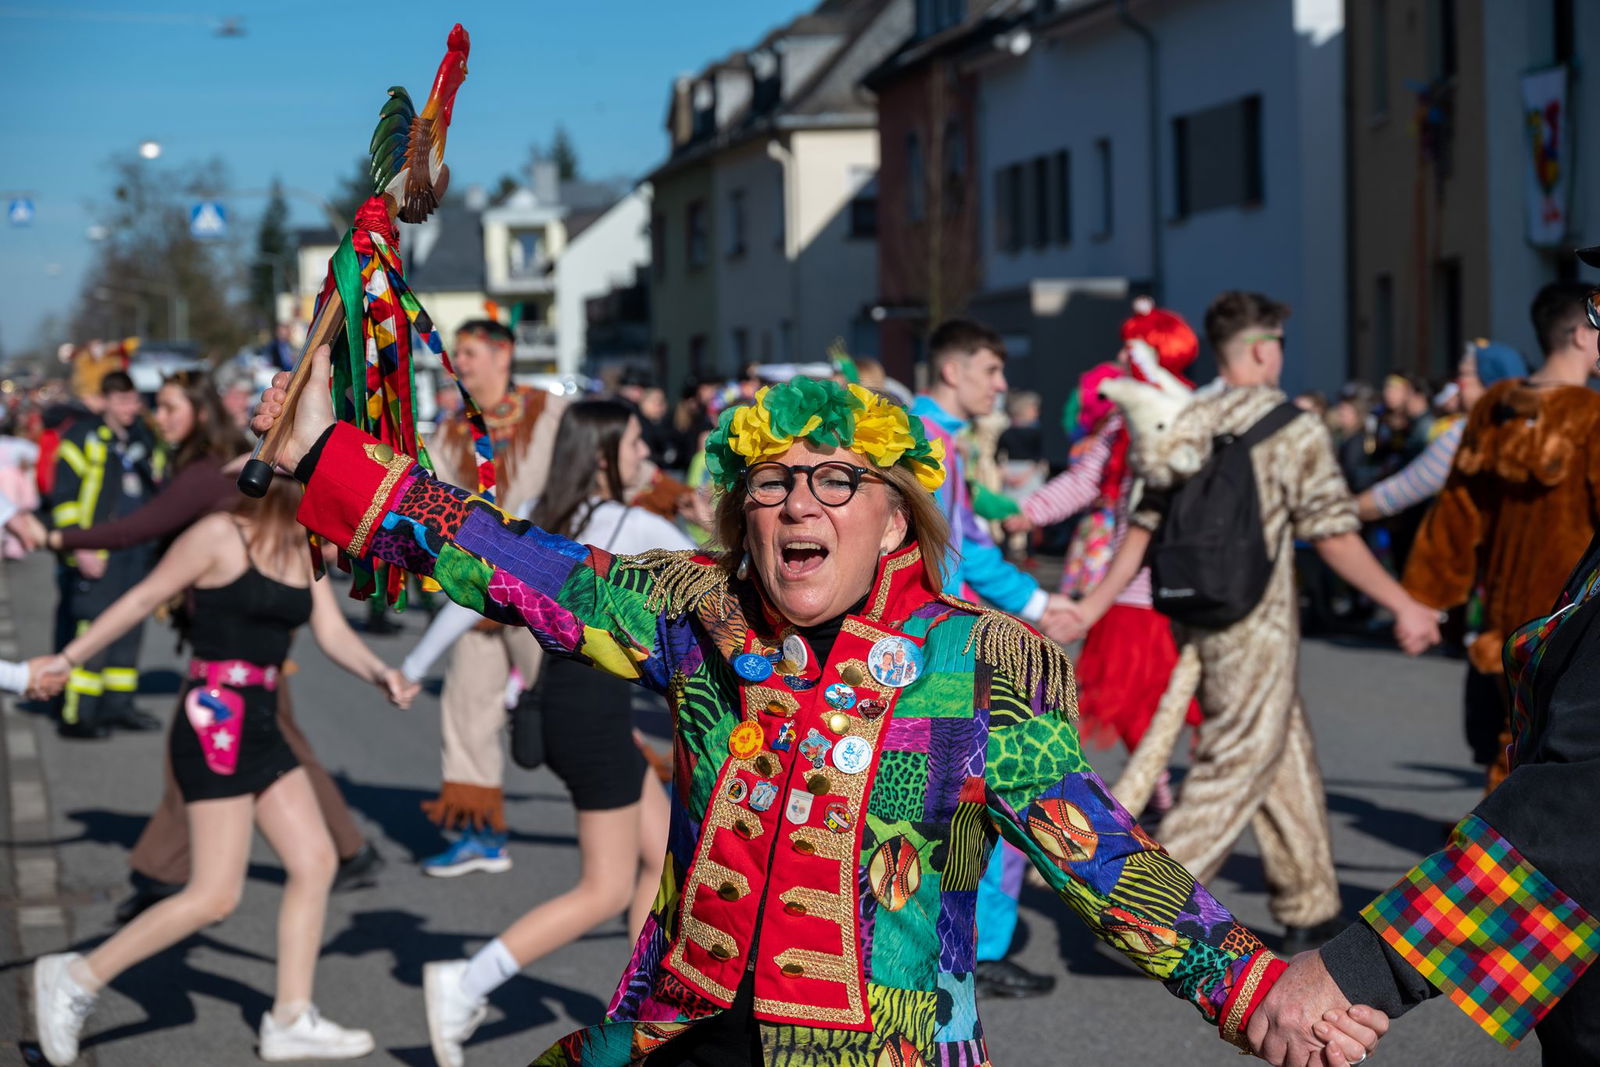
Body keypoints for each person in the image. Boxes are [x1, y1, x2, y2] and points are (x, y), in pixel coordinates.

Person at [253, 351, 1386, 1067]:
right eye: (774, 481)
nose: (801, 502)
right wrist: (325, 461)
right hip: (684, 1028)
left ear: (893, 520)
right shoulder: (696, 614)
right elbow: (515, 562)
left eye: (837, 480)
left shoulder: (982, 663)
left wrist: (1254, 988)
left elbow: (1103, 854)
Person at [1073, 291, 1443, 953]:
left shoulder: (1186, 418)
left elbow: (1144, 523)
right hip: (1258, 625)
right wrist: (1404, 603)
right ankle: (1139, 910)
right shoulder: (1293, 427)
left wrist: (1094, 603)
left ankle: (1309, 903)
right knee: (1234, 763)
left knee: (1284, 751)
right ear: (1262, 350)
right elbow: (1333, 534)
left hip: (1196, 611)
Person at [28, 475, 417, 1066]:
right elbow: (140, 599)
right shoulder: (218, 535)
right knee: (213, 896)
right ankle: (76, 977)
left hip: (262, 720)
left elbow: (331, 631)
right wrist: (65, 660)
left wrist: (379, 672)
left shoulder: (303, 547)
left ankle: (290, 1017)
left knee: (315, 861)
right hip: (215, 720)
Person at [14, 373, 386, 922]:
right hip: (237, 638)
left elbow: (134, 530)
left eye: (171, 407)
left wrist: (53, 537)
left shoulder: (207, 474)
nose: (158, 417)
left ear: (200, 411)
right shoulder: (201, 466)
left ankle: (165, 876)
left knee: (233, 759)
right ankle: (170, 872)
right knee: (243, 758)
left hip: (243, 641)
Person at [419, 400, 690, 1067]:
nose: (645, 455)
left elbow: (479, 589)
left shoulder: (544, 510)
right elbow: (728, 581)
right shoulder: (634, 524)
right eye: (634, 442)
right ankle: (465, 983)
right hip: (593, 717)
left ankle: (641, 1012)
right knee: (605, 887)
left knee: (658, 863)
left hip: (577, 708)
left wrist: (412, 666)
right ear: (601, 455)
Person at [909, 319, 1076, 999]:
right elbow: (957, 551)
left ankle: (952, 946)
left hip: (937, 641)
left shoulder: (925, 433)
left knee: (951, 803)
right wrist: (1038, 604)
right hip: (946, 648)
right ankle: (976, 949)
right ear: (952, 371)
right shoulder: (930, 440)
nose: (1001, 384)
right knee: (993, 793)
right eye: (990, 370)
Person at [1003, 306, 1204, 813]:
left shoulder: (1193, 418)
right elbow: (1084, 481)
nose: (1119, 357)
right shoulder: (1121, 421)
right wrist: (1028, 511)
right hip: (1130, 588)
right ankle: (1155, 789)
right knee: (1130, 700)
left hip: (1183, 583)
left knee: (1178, 701)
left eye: (1130, 347)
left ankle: (1169, 794)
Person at [1401, 281, 1600, 789]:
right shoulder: (1590, 417)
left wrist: (1424, 601)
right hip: (1570, 618)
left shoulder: (1494, 407)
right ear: (1581, 334)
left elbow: (1456, 514)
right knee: (1553, 759)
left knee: (1515, 744)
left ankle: (1493, 832)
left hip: (1504, 621)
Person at [419, 318, 566, 875]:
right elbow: (428, 496)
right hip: (477, 594)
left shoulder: (547, 411)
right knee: (465, 710)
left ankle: (636, 806)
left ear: (504, 354)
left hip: (547, 587)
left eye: (470, 352)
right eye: (456, 353)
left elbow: (590, 470)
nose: (459, 361)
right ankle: (479, 834)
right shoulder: (450, 430)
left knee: (576, 700)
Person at [44, 370, 161, 738]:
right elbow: (63, 499)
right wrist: (80, 546)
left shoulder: (142, 437)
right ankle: (78, 713)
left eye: (134, 400)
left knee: (129, 627)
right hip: (96, 550)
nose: (131, 408)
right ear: (106, 401)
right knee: (91, 629)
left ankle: (117, 706)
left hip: (136, 549)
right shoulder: (82, 437)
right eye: (123, 401)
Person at [1353, 341, 1528, 524]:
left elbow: (1398, 492)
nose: (1457, 385)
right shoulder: (1532, 431)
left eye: (1464, 375)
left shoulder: (1468, 436)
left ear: (1490, 382)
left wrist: (1341, 515)